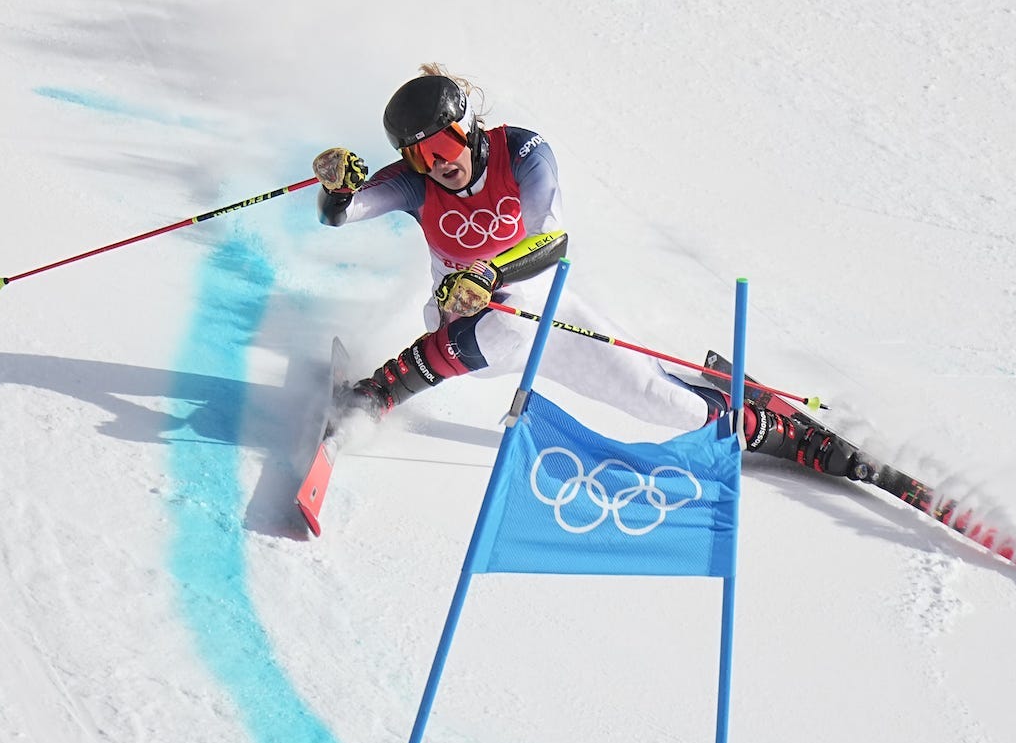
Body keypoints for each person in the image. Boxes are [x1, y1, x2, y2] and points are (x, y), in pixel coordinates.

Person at [312, 65, 855, 476]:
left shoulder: (523, 152)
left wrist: (487, 273)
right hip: (460, 321)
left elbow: (553, 240)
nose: (438, 163)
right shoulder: (416, 183)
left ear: (470, 127)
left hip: (543, 308)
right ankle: (377, 392)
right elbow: (343, 213)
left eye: (445, 144)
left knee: (665, 403)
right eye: (419, 156)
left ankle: (776, 432)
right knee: (504, 320)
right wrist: (336, 187)